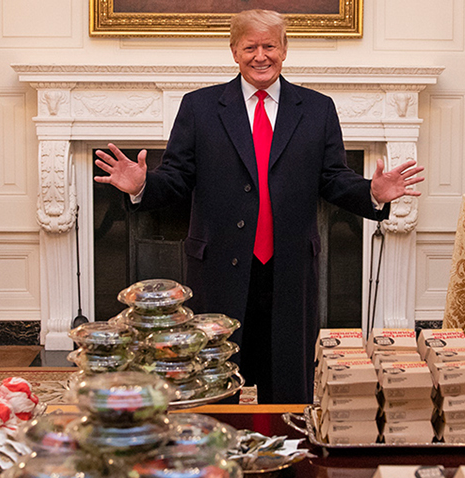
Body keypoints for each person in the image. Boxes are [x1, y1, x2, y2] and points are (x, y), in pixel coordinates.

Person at [94, 9, 424, 403]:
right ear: (234, 51)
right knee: (214, 380)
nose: (261, 55)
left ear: (284, 50)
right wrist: (143, 184)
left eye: (270, 45)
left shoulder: (317, 110)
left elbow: (333, 179)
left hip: (290, 267)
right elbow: (178, 178)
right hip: (218, 267)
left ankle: (285, 451)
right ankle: (220, 455)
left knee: (288, 383)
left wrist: (372, 191)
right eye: (250, 47)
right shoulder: (199, 108)